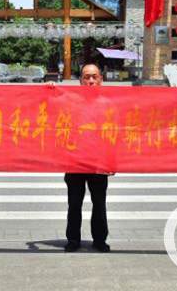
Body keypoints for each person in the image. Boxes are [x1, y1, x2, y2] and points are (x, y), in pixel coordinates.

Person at [63, 64, 111, 253]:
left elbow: (116, 133)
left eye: (94, 77)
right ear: (80, 80)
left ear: (101, 78)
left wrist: (112, 161)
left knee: (99, 202)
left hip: (99, 160)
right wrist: (48, 90)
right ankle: (73, 239)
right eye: (86, 77)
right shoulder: (71, 101)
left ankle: (99, 239)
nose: (90, 81)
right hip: (74, 160)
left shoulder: (109, 102)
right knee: (74, 202)